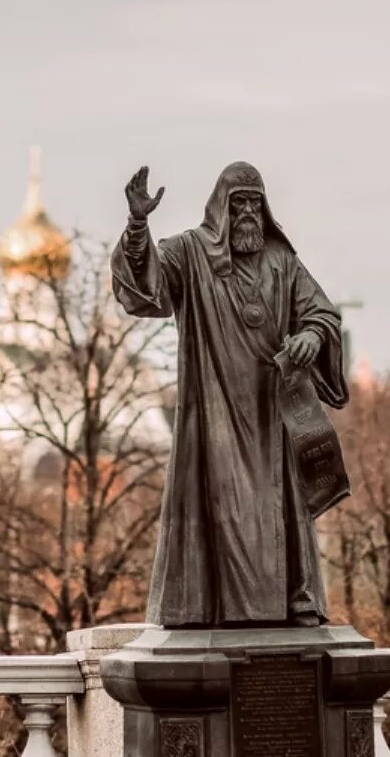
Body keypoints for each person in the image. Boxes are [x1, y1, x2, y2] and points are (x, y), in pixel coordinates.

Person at [112, 162, 347, 627]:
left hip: (272, 412)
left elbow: (322, 313)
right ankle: (210, 608)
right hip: (215, 409)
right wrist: (137, 226)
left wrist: (313, 337)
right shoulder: (191, 253)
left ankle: (293, 603)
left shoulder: (282, 263)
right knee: (222, 505)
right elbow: (147, 289)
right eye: (236, 203)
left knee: (279, 508)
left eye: (253, 204)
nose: (245, 213)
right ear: (220, 207)